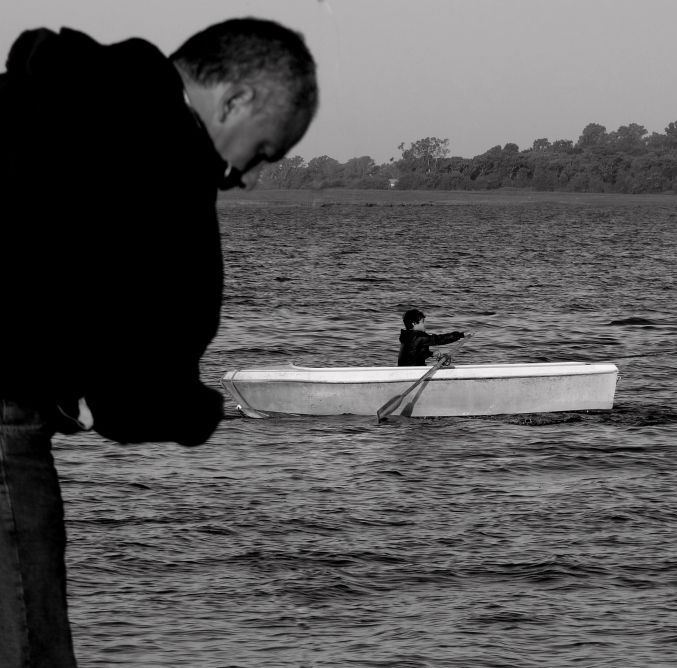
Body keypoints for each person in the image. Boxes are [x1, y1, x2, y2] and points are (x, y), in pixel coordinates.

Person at [0, 17, 318, 667]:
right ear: (233, 100)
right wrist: (197, 411)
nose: (239, 176)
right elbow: (144, 387)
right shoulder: (167, 150)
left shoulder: (27, 95)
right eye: (257, 154)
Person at [397, 308, 470, 366]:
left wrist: (431, 354)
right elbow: (439, 339)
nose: (424, 326)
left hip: (405, 368)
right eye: (422, 322)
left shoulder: (406, 336)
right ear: (414, 323)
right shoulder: (419, 336)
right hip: (414, 370)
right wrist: (461, 335)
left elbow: (414, 354)